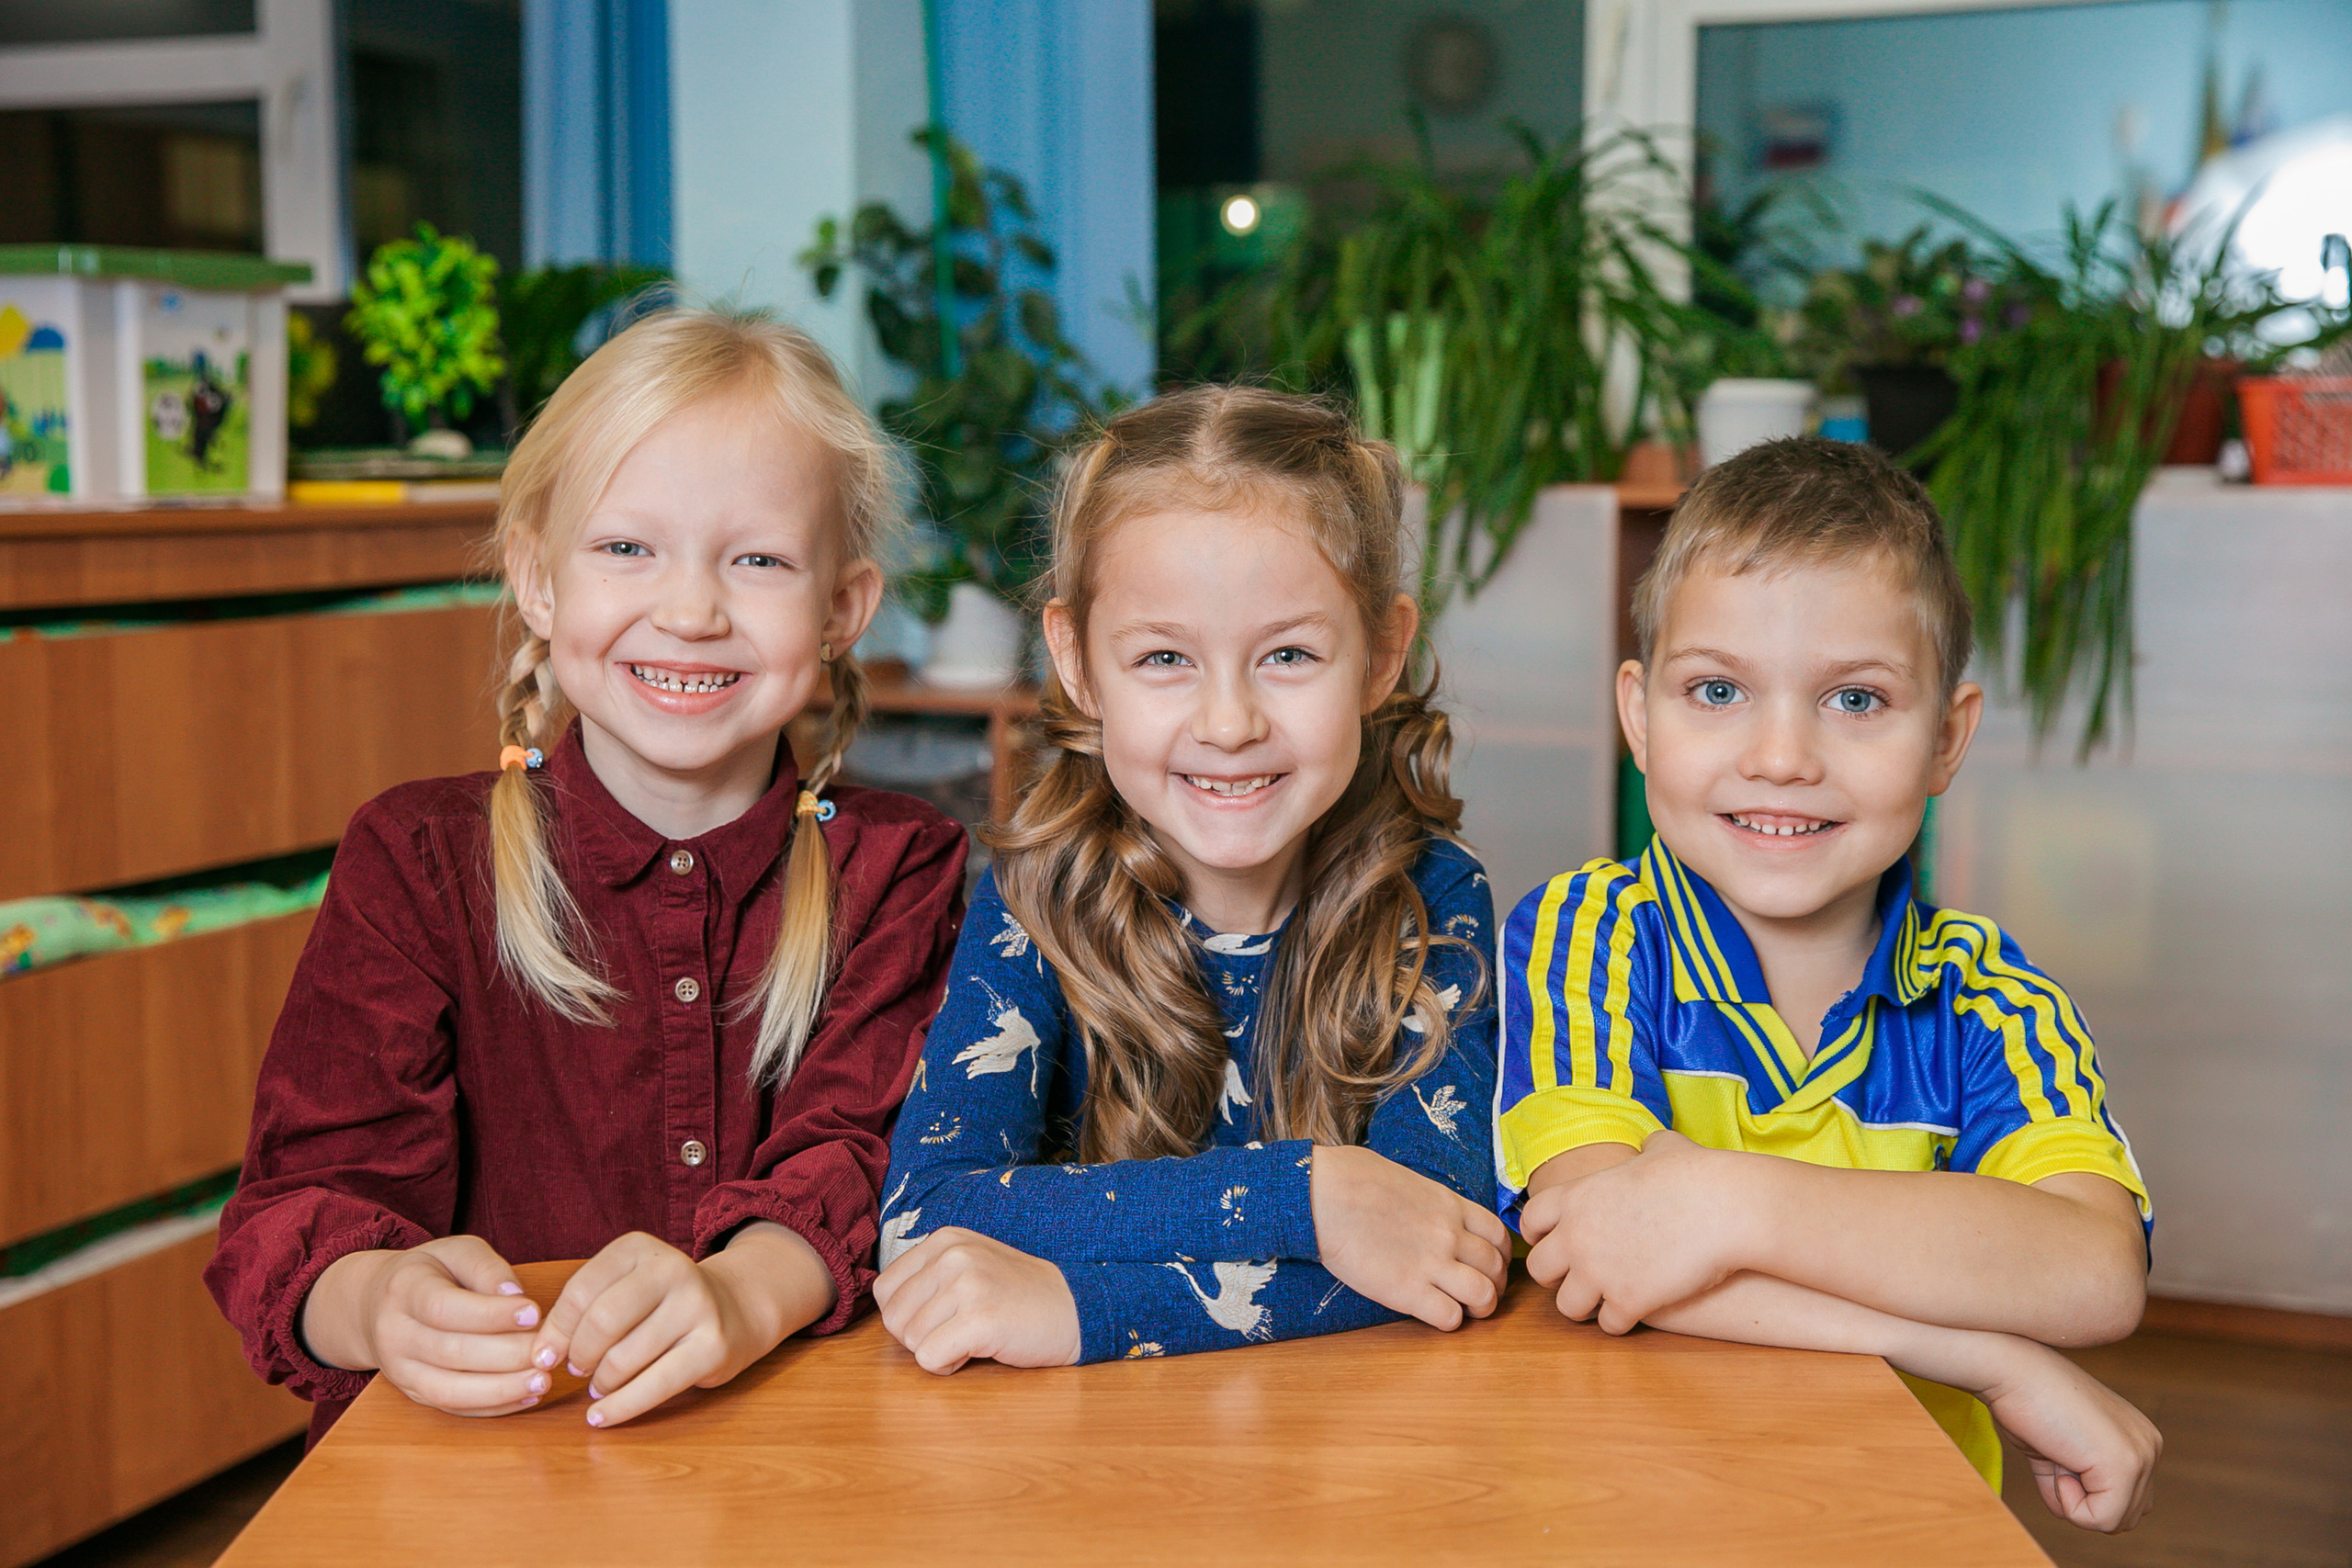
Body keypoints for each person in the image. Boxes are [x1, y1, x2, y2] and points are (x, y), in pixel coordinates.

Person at [206, 310, 967, 1439]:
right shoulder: (415, 863)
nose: (692, 610)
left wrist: (739, 1293)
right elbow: (303, 1203)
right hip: (484, 1477)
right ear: (538, 577)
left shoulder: (905, 868)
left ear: (842, 611)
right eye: (626, 548)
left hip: (796, 1464)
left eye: (757, 560)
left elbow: (868, 1156)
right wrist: (377, 1304)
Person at [1497, 436, 2160, 1531]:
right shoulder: (1589, 935)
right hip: (1621, 1515)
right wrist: (1979, 1356)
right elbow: (1596, 1251)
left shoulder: (1991, 999)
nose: (1780, 756)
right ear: (1636, 717)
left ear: (1946, 738)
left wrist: (1724, 1202)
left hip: (1890, 1526)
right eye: (1716, 690)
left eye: (1854, 702)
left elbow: (2093, 1272)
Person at [873, 386, 1509, 1371]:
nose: (1227, 723)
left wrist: (1075, 1310)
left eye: (1288, 654)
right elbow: (928, 1213)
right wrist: (1309, 1198)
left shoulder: (1435, 899)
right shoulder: (1036, 890)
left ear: (1383, 653)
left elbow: (1441, 1250)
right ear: (1078, 662)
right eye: (1164, 657)